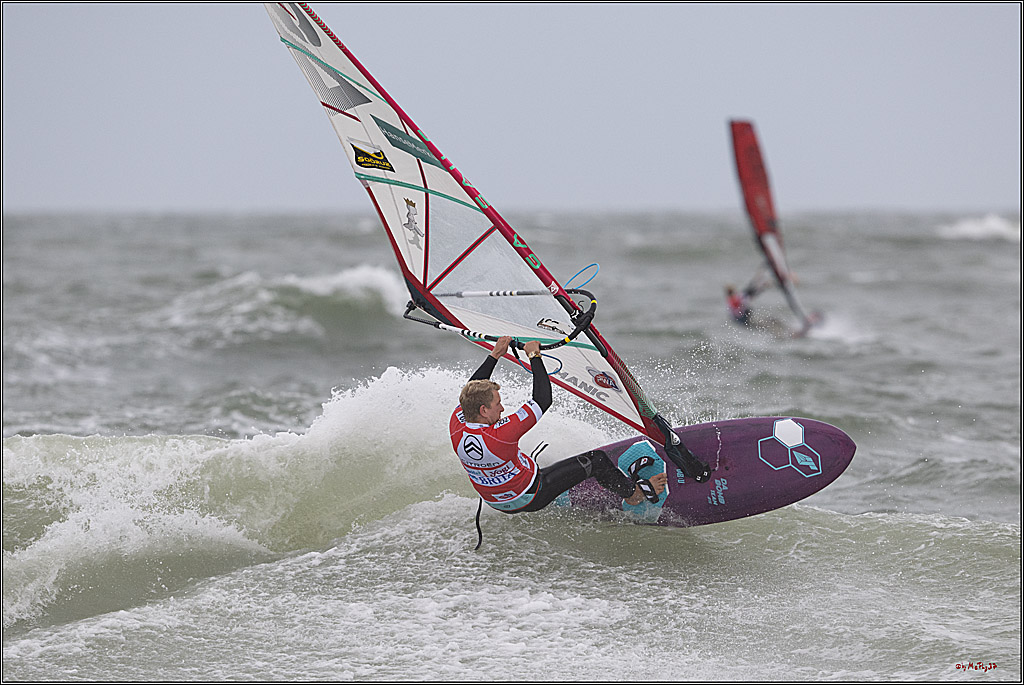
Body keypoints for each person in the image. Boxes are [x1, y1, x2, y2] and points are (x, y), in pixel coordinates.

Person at [450, 336, 667, 515]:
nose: (502, 408)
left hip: (495, 501)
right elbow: (542, 400)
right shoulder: (502, 434)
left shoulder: (457, 423)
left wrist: (495, 354)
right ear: (483, 410)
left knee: (524, 461)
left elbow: (469, 391)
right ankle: (635, 494)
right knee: (596, 461)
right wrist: (534, 355)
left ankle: (555, 485)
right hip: (530, 496)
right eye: (497, 404)